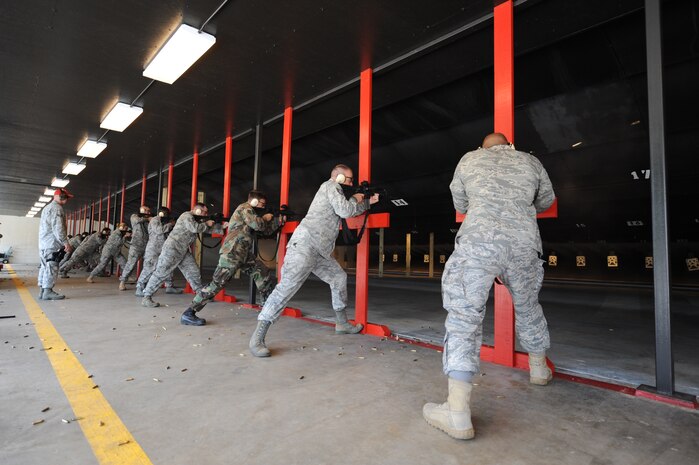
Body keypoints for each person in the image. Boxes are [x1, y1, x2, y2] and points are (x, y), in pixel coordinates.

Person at [422, 133, 556, 440]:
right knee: (528, 306)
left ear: (483, 148)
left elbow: (460, 202)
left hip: (479, 245)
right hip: (524, 245)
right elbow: (546, 200)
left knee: (464, 316)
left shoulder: (470, 159)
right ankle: (538, 370)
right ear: (510, 145)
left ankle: (456, 412)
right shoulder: (531, 161)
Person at [249, 164, 379, 357]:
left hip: (320, 252)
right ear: (340, 178)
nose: (352, 183)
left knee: (338, 278)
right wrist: (358, 199)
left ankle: (341, 323)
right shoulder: (330, 186)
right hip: (305, 245)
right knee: (286, 288)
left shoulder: (336, 193)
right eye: (350, 179)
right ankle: (257, 338)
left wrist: (366, 202)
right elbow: (345, 210)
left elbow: (345, 210)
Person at [180, 191, 281, 326]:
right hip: (232, 252)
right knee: (217, 283)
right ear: (254, 202)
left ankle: (266, 307)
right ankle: (189, 313)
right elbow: (259, 225)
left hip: (243, 254)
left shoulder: (253, 213)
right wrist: (266, 218)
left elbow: (265, 231)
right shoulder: (244, 208)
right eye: (262, 204)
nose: (263, 207)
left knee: (262, 272)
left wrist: (278, 221)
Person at [140, 203, 225, 308]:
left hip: (183, 250)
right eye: (204, 212)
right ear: (197, 211)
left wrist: (222, 227)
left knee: (193, 270)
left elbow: (206, 229)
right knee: (161, 272)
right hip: (172, 248)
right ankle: (146, 297)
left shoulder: (197, 220)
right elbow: (195, 228)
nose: (205, 214)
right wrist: (207, 223)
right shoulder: (187, 216)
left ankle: (201, 295)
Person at [135, 207, 183, 296]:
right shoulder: (155, 219)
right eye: (163, 213)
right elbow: (159, 230)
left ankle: (169, 286)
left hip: (164, 247)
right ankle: (139, 288)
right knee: (149, 267)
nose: (165, 214)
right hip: (153, 249)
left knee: (167, 266)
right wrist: (170, 224)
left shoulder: (166, 221)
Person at [38, 188, 73, 300]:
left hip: (44, 243)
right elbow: (58, 228)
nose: (67, 199)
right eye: (66, 197)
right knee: (52, 265)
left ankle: (42, 291)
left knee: (44, 266)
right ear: (61, 196)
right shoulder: (57, 209)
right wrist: (65, 242)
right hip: (52, 243)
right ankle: (47, 291)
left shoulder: (47, 208)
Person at [119, 205, 151, 290]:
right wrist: (147, 219)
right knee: (131, 264)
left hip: (146, 246)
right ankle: (122, 282)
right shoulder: (134, 216)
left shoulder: (148, 221)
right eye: (146, 211)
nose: (148, 212)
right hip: (136, 246)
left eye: (148, 211)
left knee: (148, 264)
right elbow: (137, 220)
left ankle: (144, 283)